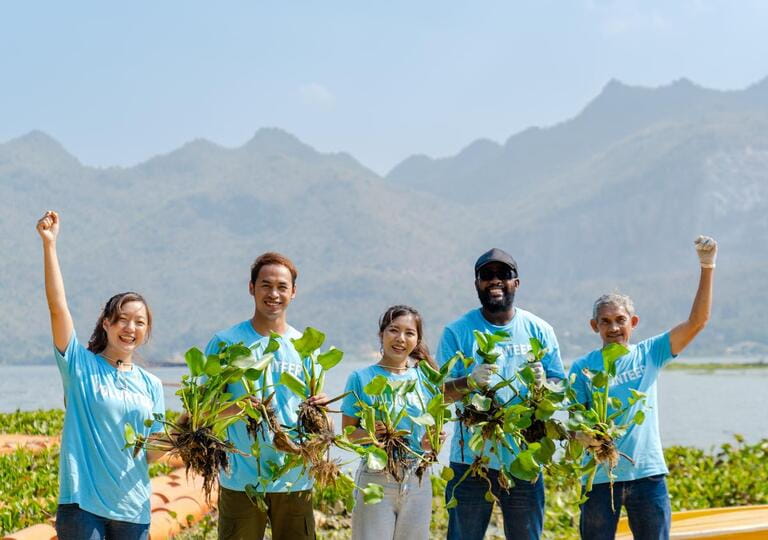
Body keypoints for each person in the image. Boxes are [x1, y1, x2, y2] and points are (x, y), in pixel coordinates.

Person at [570, 236, 717, 540]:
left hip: (648, 476)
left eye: (620, 320)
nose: (613, 328)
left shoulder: (650, 353)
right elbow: (573, 424)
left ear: (633, 322)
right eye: (605, 321)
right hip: (599, 478)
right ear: (594, 326)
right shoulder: (581, 367)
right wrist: (581, 435)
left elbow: (698, 321)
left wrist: (707, 266)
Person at [37, 210, 165, 540]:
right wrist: (49, 245)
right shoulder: (79, 366)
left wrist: (189, 432)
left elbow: (150, 452)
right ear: (106, 323)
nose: (130, 327)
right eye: (122, 319)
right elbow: (57, 307)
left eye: (139, 322)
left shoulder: (150, 385)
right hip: (83, 507)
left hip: (134, 510)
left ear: (146, 331)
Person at [438, 248, 565, 540]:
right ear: (477, 284)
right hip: (471, 459)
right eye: (486, 275)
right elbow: (439, 394)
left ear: (516, 283)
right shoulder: (456, 332)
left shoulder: (540, 329)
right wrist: (468, 382)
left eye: (503, 275)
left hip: (524, 456)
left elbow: (560, 385)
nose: (495, 281)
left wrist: (545, 384)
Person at [206, 252, 327, 540]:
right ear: (252, 288)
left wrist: (320, 410)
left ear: (293, 292)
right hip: (241, 477)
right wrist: (237, 409)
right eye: (266, 285)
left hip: (295, 476)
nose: (274, 294)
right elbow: (203, 413)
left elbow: (314, 413)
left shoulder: (305, 346)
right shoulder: (225, 342)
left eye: (282, 287)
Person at [341, 305, 439, 540]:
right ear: (381, 334)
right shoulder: (360, 378)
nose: (400, 339)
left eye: (409, 333)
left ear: (417, 339)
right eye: (394, 330)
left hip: (418, 478)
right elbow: (348, 432)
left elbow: (430, 436)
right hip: (376, 476)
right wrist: (370, 434)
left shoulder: (427, 379)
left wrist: (431, 442)